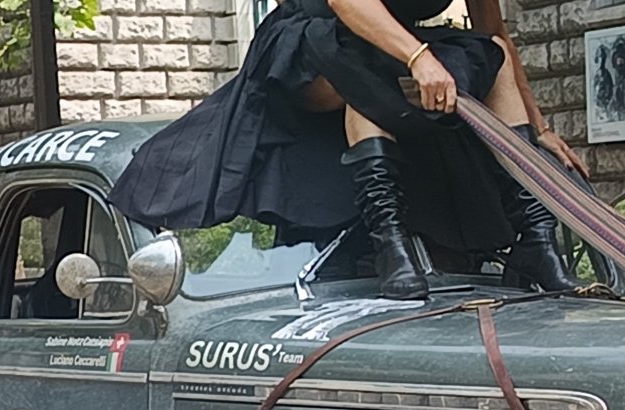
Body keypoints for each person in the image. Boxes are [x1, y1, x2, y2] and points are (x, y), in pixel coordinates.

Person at [109, 0, 587, 299]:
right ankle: (391, 246)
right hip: (314, 38)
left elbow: (494, 30)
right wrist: (419, 59)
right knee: (367, 69)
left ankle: (536, 242)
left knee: (491, 57)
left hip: (393, 43)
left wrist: (540, 128)